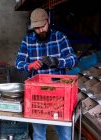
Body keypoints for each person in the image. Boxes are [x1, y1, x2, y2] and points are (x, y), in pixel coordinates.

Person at [15, 8, 77, 140]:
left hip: (60, 94)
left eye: (42, 26)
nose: (40, 31)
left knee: (66, 134)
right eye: (36, 28)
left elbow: (73, 60)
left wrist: (57, 61)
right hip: (37, 96)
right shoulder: (28, 41)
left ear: (48, 22)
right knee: (38, 134)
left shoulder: (60, 38)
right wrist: (29, 65)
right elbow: (18, 63)